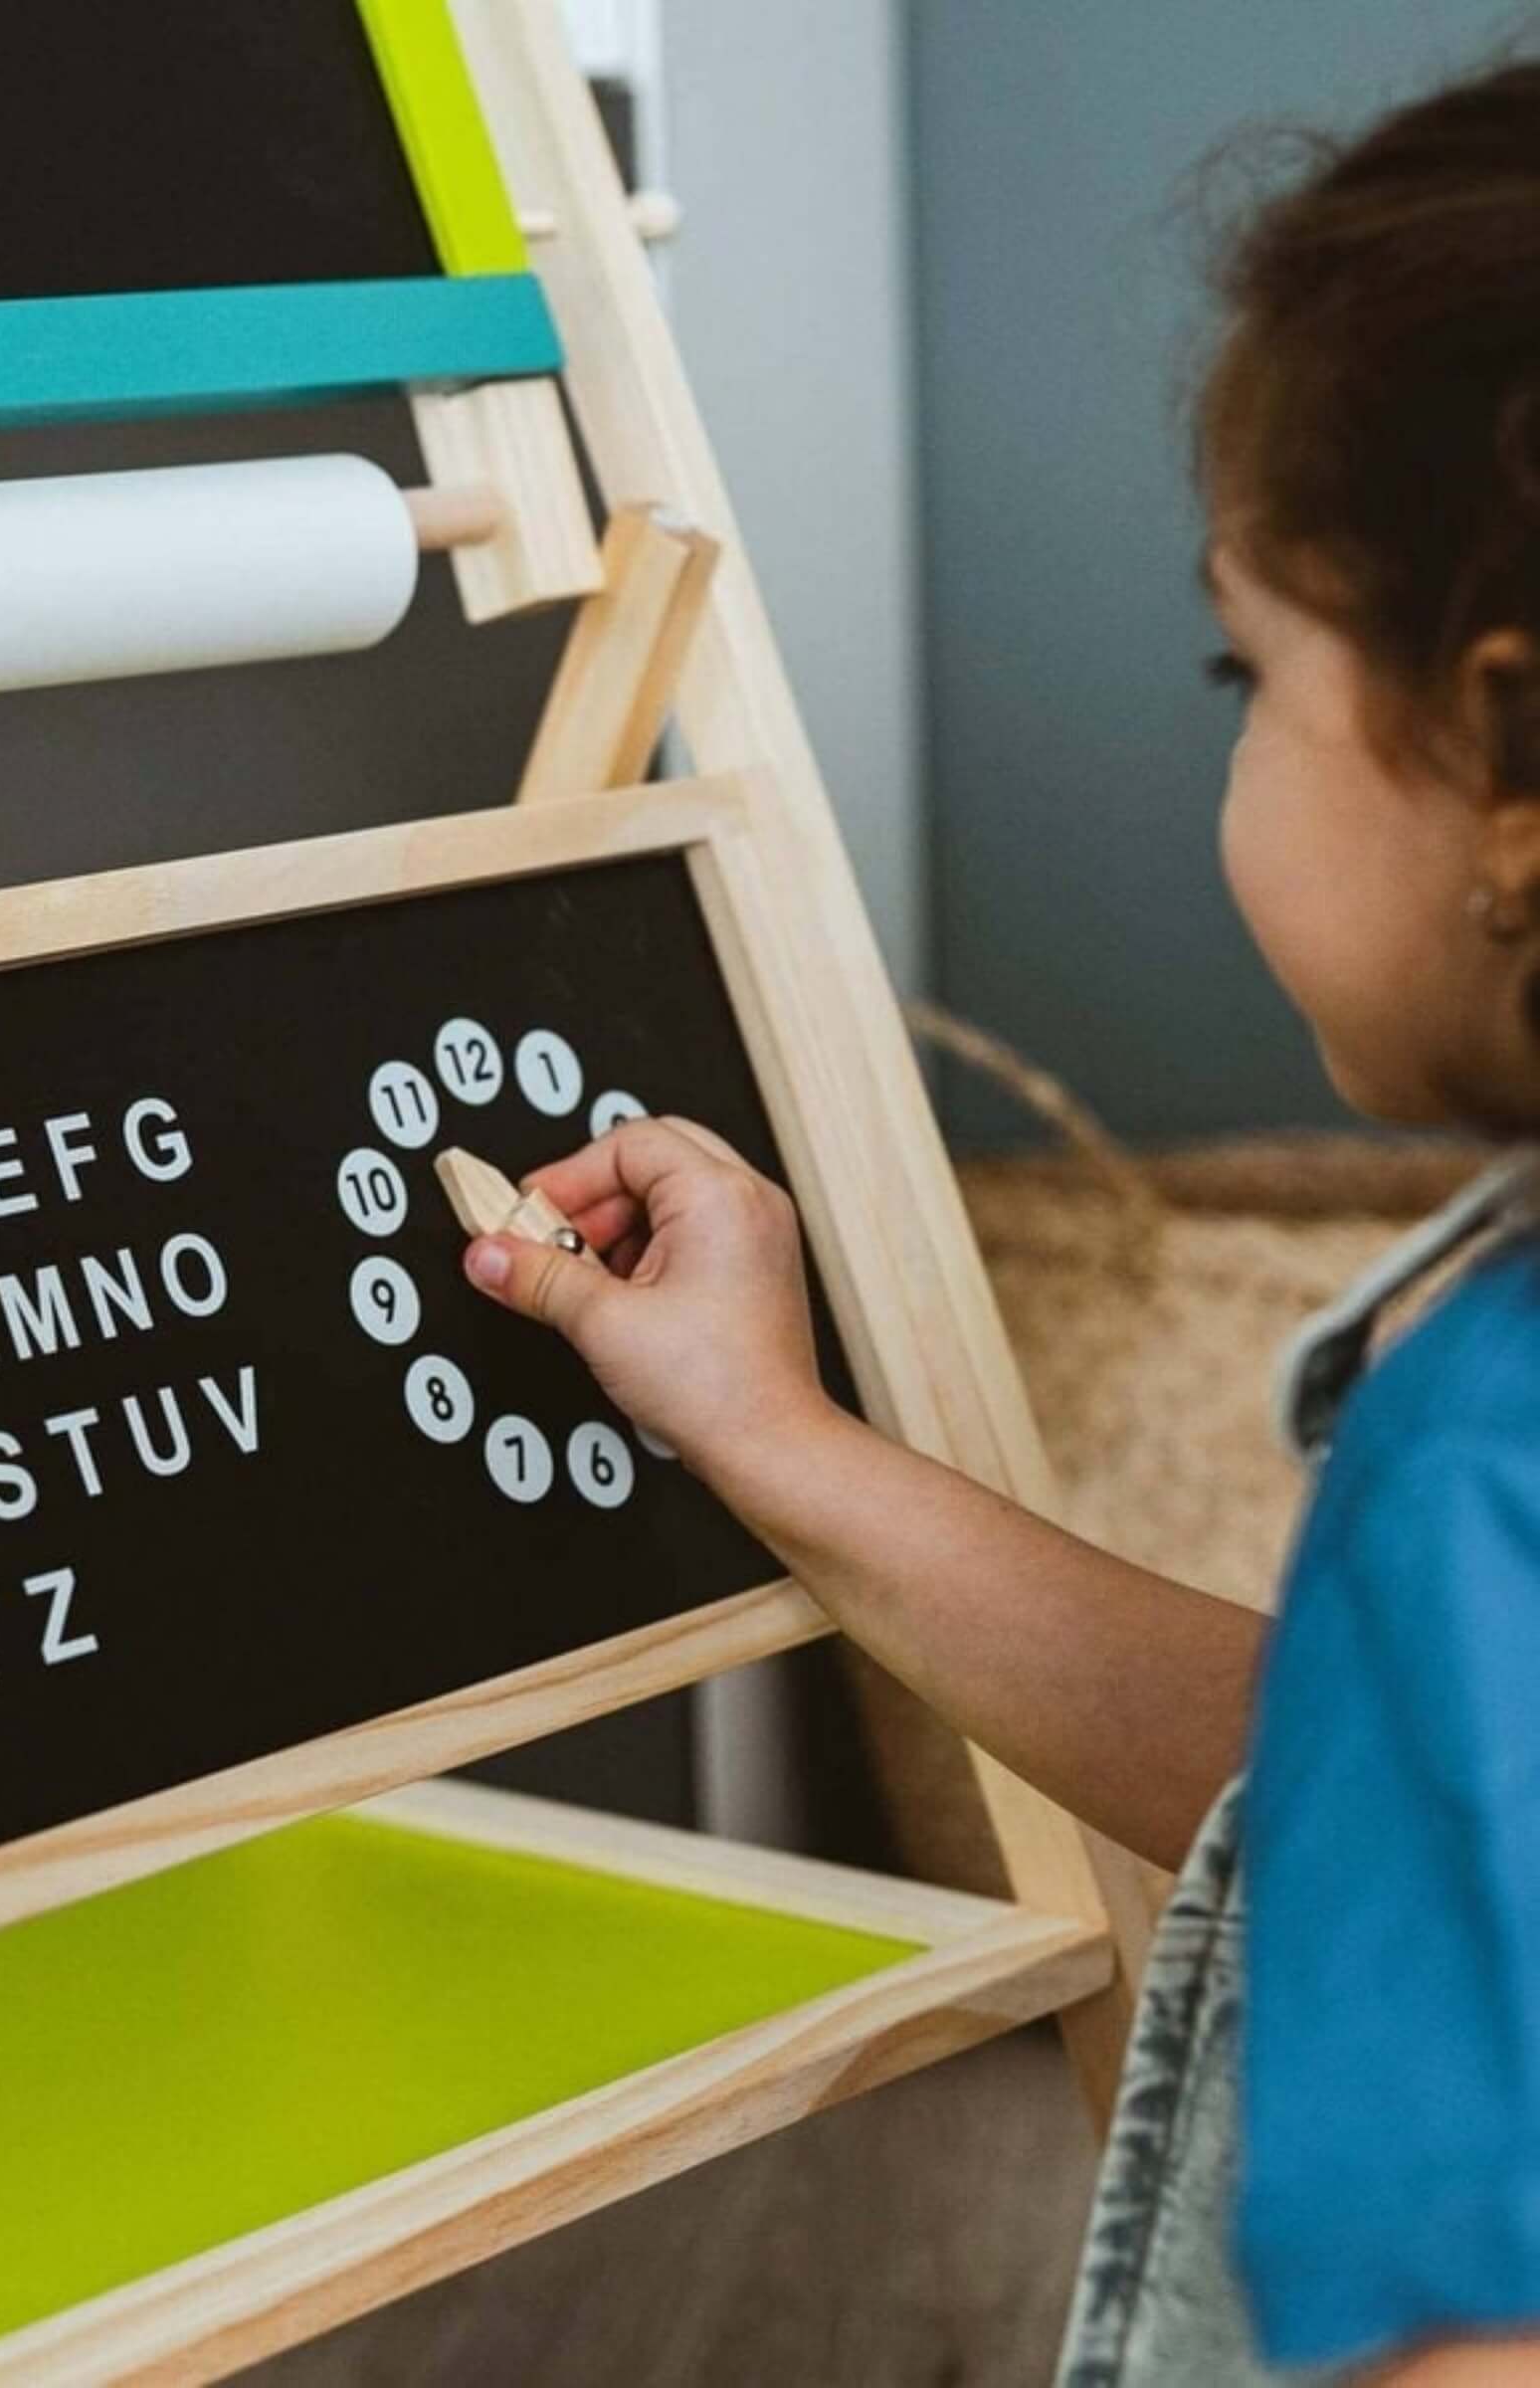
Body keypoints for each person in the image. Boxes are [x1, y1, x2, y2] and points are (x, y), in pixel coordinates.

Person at [462, 58, 1540, 2388]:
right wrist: (778, 1437)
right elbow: (1374, 1784)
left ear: (1504, 770)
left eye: (1253, 670)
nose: (1235, 740)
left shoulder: (1487, 1456)